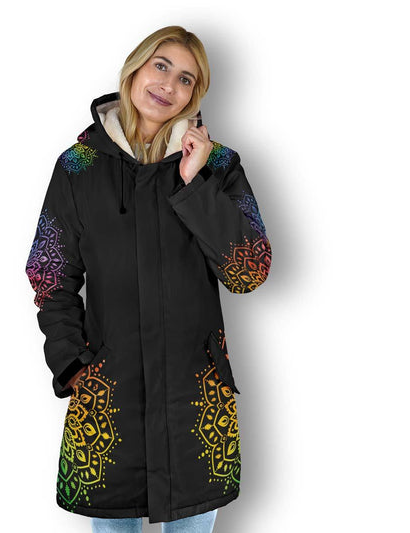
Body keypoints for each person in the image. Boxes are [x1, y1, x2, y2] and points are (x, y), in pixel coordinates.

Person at [25, 25, 272, 533]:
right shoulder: (77, 166)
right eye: (161, 66)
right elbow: (50, 273)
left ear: (195, 95)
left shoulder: (219, 164)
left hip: (195, 404)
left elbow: (250, 271)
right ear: (135, 69)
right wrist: (73, 365)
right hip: (108, 402)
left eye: (186, 78)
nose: (168, 85)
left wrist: (195, 183)